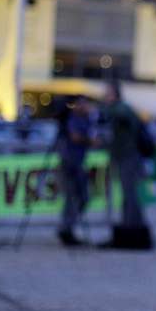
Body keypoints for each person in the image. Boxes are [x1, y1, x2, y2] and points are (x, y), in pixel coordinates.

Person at [100, 81, 155, 249]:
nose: (105, 97)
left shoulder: (122, 108)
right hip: (124, 157)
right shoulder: (119, 110)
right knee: (128, 196)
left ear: (115, 94)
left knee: (131, 196)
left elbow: (117, 114)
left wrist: (103, 109)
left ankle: (132, 230)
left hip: (129, 158)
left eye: (108, 93)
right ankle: (128, 227)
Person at [57, 96, 95, 246]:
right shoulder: (73, 119)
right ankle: (66, 229)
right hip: (69, 164)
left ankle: (68, 227)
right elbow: (75, 137)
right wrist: (90, 140)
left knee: (82, 197)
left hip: (79, 164)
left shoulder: (86, 120)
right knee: (72, 198)